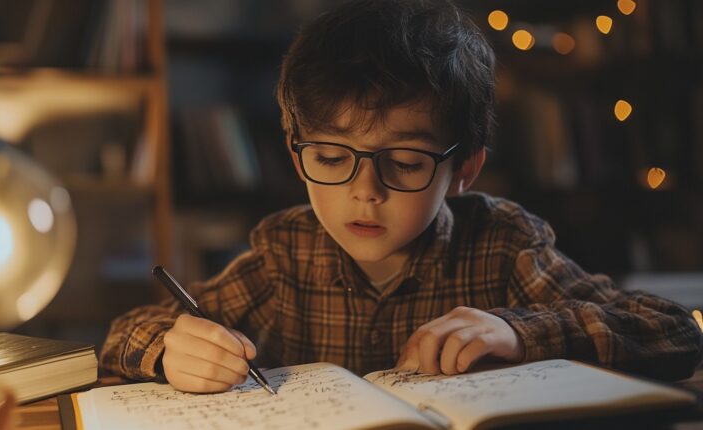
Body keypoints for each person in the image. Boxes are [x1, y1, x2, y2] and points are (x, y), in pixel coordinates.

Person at [100, 0, 702, 393]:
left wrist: (518, 334)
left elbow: (672, 330)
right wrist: (167, 349)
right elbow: (128, 331)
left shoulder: (503, 244)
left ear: (464, 169)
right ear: (297, 158)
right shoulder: (284, 254)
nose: (365, 191)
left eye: (406, 163)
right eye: (332, 158)